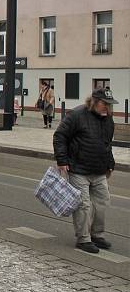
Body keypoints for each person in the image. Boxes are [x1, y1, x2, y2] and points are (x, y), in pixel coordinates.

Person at [53, 87, 117, 254]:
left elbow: (107, 144)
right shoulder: (76, 115)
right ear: (94, 102)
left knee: (102, 203)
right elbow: (60, 136)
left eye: (110, 105)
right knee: (83, 206)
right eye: (105, 104)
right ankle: (84, 239)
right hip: (78, 170)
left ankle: (97, 235)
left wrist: (110, 163)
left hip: (99, 170)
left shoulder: (108, 119)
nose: (108, 108)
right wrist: (62, 160)